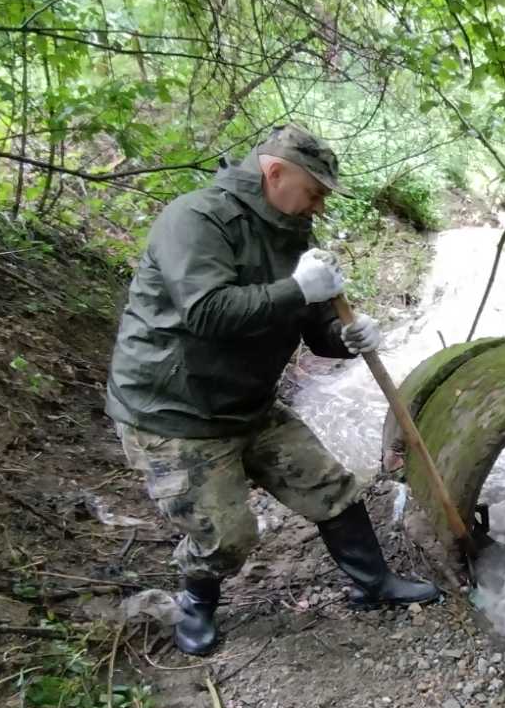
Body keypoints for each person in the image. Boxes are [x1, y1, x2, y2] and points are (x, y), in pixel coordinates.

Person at [105, 123, 437, 655]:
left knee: (331, 487)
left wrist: (346, 335)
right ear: (275, 172)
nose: (320, 207)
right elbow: (208, 312)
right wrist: (296, 288)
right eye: (315, 193)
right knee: (228, 535)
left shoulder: (294, 235)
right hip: (174, 410)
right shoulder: (195, 220)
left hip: (248, 402)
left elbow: (311, 329)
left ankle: (373, 583)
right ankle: (196, 601)